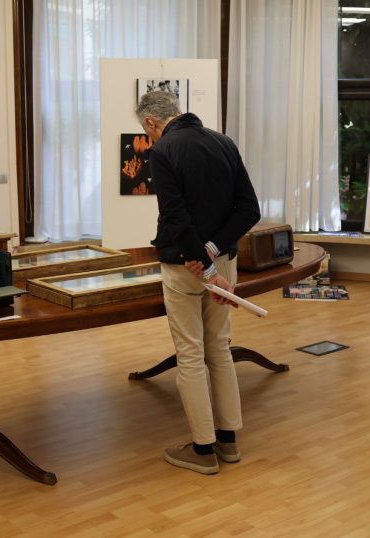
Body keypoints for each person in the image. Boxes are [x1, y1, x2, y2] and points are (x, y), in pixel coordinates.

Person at [135, 90, 261, 475]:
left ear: (151, 123)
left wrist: (204, 268)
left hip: (185, 268)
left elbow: (176, 218)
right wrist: (213, 252)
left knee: (190, 353)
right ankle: (228, 441)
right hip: (223, 261)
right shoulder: (224, 143)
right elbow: (249, 210)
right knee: (219, 348)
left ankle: (203, 449)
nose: (149, 135)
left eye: (146, 130)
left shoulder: (164, 150)